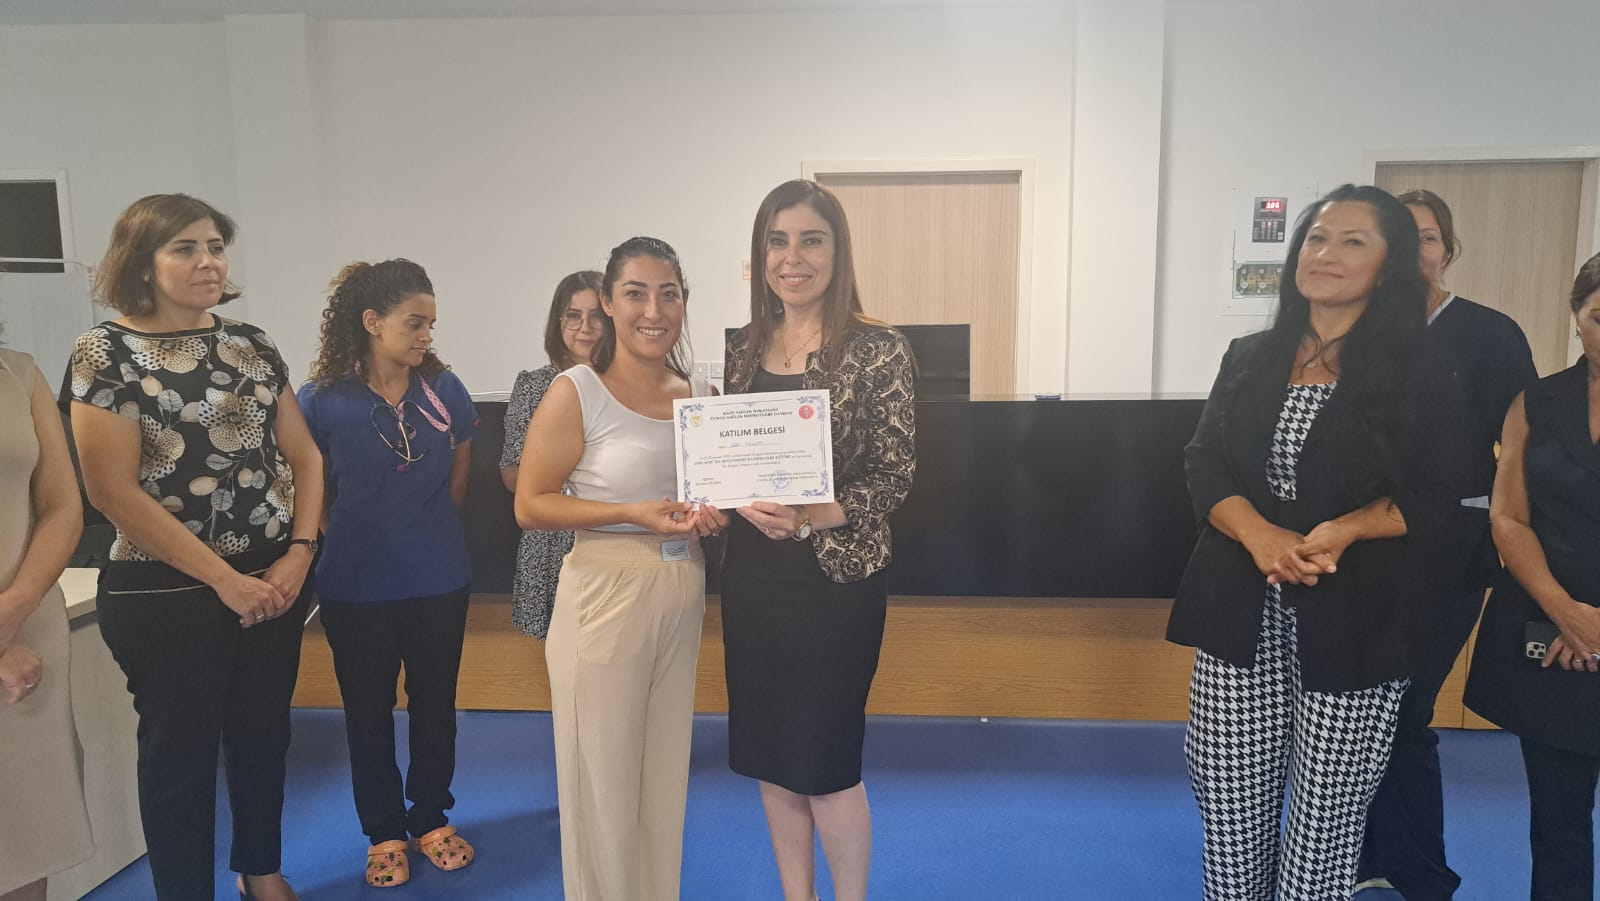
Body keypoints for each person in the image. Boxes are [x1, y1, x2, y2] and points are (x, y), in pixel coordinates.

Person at [1166, 184, 1467, 901]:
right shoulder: (1249, 356)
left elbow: (1438, 492)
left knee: (1326, 823)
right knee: (1229, 807)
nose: (1325, 253)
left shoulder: (1421, 367)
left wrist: (1348, 527)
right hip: (1243, 610)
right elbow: (1205, 462)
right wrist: (1261, 536)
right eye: (1316, 238)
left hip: (1357, 615)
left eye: (1353, 241)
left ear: (1390, 265)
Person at [65, 193, 324, 901]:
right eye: (185, 248)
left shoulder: (251, 342)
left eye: (215, 246)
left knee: (263, 735)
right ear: (140, 262)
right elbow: (112, 491)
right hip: (166, 589)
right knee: (179, 759)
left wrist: (301, 551)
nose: (208, 262)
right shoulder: (105, 352)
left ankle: (260, 871)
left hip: (273, 576)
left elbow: (304, 455)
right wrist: (225, 580)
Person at [715, 179, 917, 901]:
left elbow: (894, 475)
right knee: (772, 759)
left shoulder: (878, 349)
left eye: (810, 240)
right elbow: (734, 458)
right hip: (754, 580)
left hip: (835, 584)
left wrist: (810, 516)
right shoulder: (740, 348)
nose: (792, 258)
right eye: (777, 241)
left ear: (837, 250)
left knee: (827, 766)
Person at [513, 237, 712, 901]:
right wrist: (631, 512)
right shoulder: (577, 390)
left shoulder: (701, 393)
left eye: (669, 294)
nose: (654, 311)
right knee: (601, 782)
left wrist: (713, 515)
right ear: (607, 302)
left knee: (663, 779)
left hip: (681, 588)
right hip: (604, 590)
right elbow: (530, 504)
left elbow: (711, 495)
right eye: (635, 293)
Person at [1358, 188, 1537, 899]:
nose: (1414, 251)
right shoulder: (1352, 333)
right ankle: (1363, 855)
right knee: (1359, 711)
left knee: (1405, 710)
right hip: (1361, 547)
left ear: (1447, 249)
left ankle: (1422, 873)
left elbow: (1522, 451)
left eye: (1426, 237)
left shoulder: (1490, 334)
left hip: (1448, 551)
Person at [297, 259, 479, 888]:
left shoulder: (444, 390)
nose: (426, 335)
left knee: (435, 704)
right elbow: (309, 486)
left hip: (438, 577)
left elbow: (459, 471)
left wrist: (424, 529)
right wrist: (343, 538)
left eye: (431, 324)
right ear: (372, 322)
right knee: (367, 712)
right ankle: (383, 833)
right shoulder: (321, 399)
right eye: (414, 323)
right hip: (354, 586)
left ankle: (430, 818)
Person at [1464, 252, 1600, 901]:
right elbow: (1509, 517)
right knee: (1559, 823)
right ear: (1577, 318)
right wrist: (1569, 615)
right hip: (1550, 632)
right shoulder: (1535, 403)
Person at [0, 339, 93, 901]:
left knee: (29, 838)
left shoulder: (18, 373)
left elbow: (62, 506)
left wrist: (15, 607)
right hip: (9, 642)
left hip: (28, 623)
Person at [499, 270, 604, 639]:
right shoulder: (534, 386)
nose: (584, 328)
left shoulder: (630, 384)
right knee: (558, 658)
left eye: (596, 316)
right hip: (551, 541)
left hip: (614, 538)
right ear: (558, 323)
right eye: (573, 316)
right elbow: (512, 475)